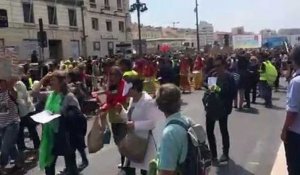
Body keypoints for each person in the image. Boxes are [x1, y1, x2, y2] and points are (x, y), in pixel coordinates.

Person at [33, 71, 79, 175]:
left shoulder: (68, 96)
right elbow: (34, 92)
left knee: (71, 164)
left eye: (53, 80)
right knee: (49, 165)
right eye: (51, 80)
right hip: (51, 135)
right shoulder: (50, 95)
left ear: (61, 82)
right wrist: (44, 78)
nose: (51, 82)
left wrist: (62, 113)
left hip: (65, 134)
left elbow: (77, 114)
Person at [118, 77, 165, 175]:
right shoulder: (133, 99)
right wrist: (121, 111)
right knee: (130, 166)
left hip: (145, 140)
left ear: (135, 89)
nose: (127, 94)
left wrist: (135, 125)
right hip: (134, 139)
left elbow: (152, 122)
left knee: (146, 168)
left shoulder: (148, 102)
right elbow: (130, 116)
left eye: (129, 91)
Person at [205, 55, 236, 165]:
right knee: (209, 131)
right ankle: (213, 155)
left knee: (224, 130)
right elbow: (208, 86)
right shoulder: (212, 74)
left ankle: (225, 154)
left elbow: (231, 93)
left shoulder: (229, 77)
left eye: (218, 65)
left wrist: (216, 89)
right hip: (212, 106)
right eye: (215, 65)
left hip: (223, 107)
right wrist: (210, 87)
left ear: (223, 65)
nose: (216, 68)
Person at [155, 83, 189, 175]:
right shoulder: (187, 121)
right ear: (180, 102)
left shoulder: (169, 133)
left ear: (159, 106)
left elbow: (166, 171)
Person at [281, 46, 300, 175]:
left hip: (296, 134)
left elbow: (292, 111)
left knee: (294, 167)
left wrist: (284, 130)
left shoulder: (296, 82)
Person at [0, 78, 22, 174]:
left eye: (2, 83)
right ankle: (19, 165)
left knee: (4, 147)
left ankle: (1, 165)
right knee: (11, 146)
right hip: (2, 125)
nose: (0, 86)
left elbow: (15, 95)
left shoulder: (10, 92)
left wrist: (11, 87)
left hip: (12, 124)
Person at [15, 80, 40, 152]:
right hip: (19, 111)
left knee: (31, 128)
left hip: (26, 109)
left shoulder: (18, 84)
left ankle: (37, 146)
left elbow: (20, 98)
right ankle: (21, 148)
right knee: (20, 130)